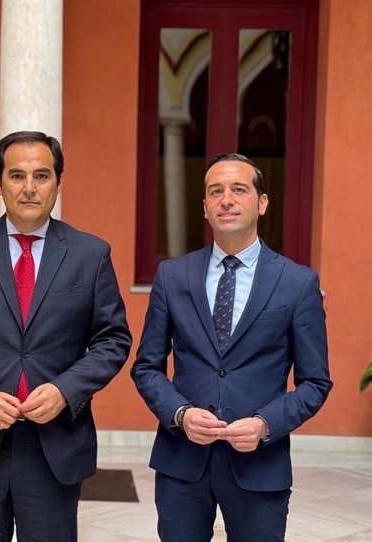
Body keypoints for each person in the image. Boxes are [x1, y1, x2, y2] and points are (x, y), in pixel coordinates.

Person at [0, 130, 132, 541]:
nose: (29, 188)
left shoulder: (91, 254)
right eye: (17, 175)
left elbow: (112, 339)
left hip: (55, 443)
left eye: (42, 175)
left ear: (59, 182)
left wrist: (65, 390)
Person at [131, 153, 332, 542]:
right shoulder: (172, 276)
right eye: (215, 191)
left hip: (260, 466)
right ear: (204, 208)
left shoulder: (298, 283)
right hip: (181, 465)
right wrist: (180, 414)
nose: (227, 199)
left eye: (239, 189)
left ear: (262, 202)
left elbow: (315, 383)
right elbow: (146, 367)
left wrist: (265, 424)